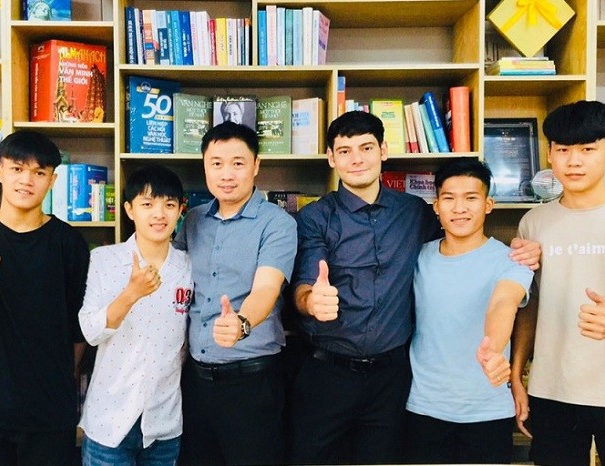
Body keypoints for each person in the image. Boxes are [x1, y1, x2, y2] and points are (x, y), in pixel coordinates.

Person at [288, 111, 541, 465]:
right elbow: (303, 284)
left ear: (383, 151)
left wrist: (523, 250)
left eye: (366, 148)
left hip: (392, 380)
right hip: (328, 371)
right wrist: (311, 300)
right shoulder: (314, 217)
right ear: (331, 158)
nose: (357, 159)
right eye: (344, 151)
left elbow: (469, 251)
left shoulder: (414, 212)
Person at [511, 100, 605, 465]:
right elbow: (530, 306)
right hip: (553, 390)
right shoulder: (533, 223)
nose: (573, 161)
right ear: (549, 154)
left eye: (587, 150)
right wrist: (516, 375)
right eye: (563, 150)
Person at [0, 130, 90, 466]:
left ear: (53, 180)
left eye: (39, 172)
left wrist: (64, 380)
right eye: (17, 168)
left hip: (49, 409)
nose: (26, 180)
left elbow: (78, 328)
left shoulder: (70, 244)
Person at [174, 121, 297, 465]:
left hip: (252, 383)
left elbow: (267, 288)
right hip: (195, 381)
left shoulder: (277, 223)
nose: (226, 174)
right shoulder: (193, 220)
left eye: (238, 163)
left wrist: (241, 323)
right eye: (216, 163)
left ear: (256, 165)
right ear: (205, 166)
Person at [403, 158, 534, 464]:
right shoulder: (418, 257)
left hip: (487, 410)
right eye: (449, 198)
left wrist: (493, 351)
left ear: (488, 205)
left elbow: (503, 303)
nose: (459, 208)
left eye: (471, 198)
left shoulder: (511, 260)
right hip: (423, 408)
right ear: (436, 206)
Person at [78, 165, 192, 465]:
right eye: (147, 204)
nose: (159, 214)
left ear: (180, 210)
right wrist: (131, 294)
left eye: (169, 205)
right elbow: (90, 331)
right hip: (109, 421)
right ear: (129, 209)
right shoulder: (104, 260)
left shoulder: (188, 266)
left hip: (164, 422)